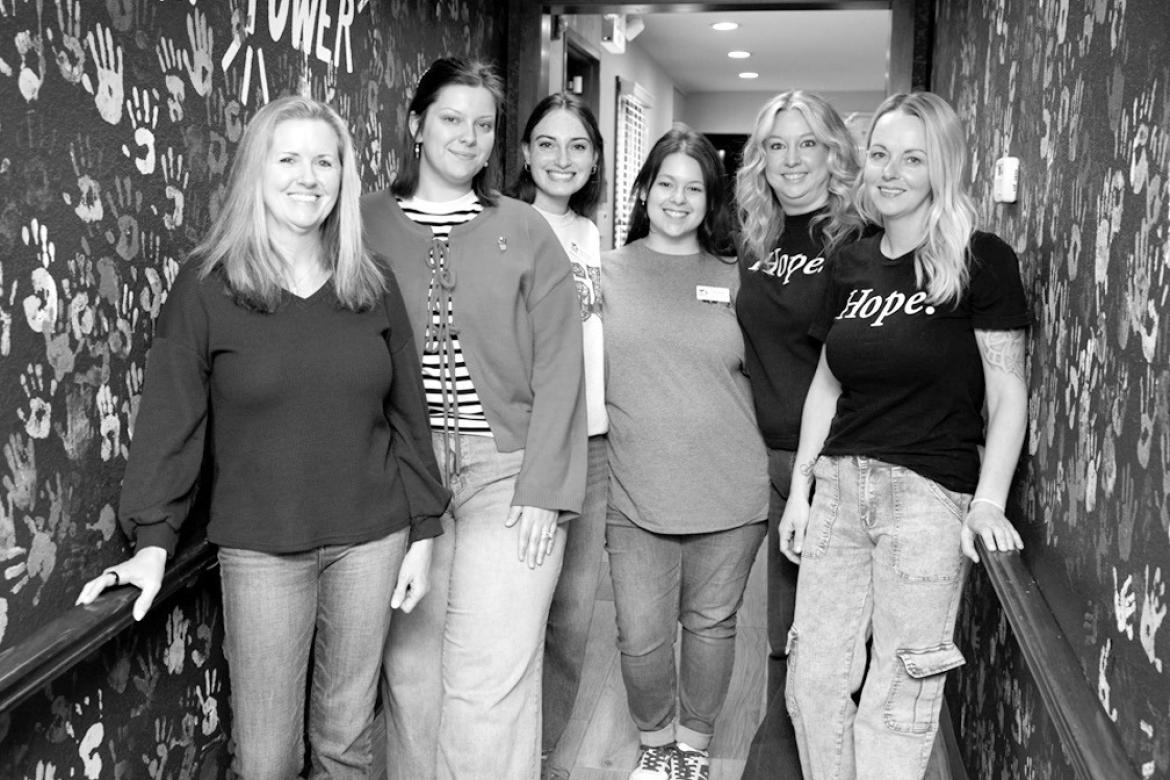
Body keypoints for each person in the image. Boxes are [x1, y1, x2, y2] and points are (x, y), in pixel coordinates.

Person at [75, 95, 448, 779]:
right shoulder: (207, 284)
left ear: (343, 176)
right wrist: (154, 541)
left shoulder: (371, 282)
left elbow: (407, 414)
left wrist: (424, 530)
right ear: (257, 170)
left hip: (371, 538)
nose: (308, 177)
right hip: (260, 547)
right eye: (290, 159)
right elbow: (171, 418)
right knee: (269, 758)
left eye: (325, 161)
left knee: (344, 742)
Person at [780, 91, 1029, 779]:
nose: (890, 172)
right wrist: (802, 489)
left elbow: (1008, 393)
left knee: (896, 698)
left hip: (925, 497)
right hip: (838, 490)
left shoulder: (981, 260)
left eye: (912, 158)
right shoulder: (851, 260)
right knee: (812, 686)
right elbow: (827, 386)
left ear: (940, 169)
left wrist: (988, 500)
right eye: (882, 154)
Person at [361, 58, 588, 780]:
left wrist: (546, 490)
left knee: (489, 682)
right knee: (411, 677)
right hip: (398, 475)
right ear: (416, 124)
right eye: (452, 118)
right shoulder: (359, 223)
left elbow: (561, 365)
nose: (468, 135)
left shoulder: (524, 229)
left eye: (484, 124)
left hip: (509, 470)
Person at [603, 124, 768, 780]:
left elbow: (778, 373)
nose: (678, 198)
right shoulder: (603, 274)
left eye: (693, 187)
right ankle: (655, 742)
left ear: (712, 199)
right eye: (665, 184)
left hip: (732, 488)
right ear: (643, 191)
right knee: (640, 634)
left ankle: (692, 753)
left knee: (710, 625)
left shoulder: (738, 276)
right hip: (634, 488)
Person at [734, 90, 865, 780]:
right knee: (783, 637)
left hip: (836, 464)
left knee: (830, 643)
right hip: (769, 460)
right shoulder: (755, 236)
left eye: (808, 143)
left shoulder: (857, 238)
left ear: (834, 152)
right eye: (777, 144)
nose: (792, 159)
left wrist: (813, 476)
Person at [507, 92, 607, 780]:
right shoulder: (501, 228)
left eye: (577, 146)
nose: (561, 158)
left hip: (595, 448)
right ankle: (499, 754)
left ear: (595, 158)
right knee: (513, 617)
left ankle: (541, 756)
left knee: (571, 621)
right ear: (523, 154)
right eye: (546, 143)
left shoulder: (597, 238)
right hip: (525, 447)